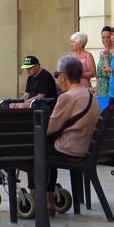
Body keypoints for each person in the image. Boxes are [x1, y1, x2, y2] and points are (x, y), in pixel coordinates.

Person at [33, 56, 98, 215]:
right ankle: (49, 198)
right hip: (86, 148)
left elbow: (49, 129)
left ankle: (41, 199)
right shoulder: (89, 95)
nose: (56, 78)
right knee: (46, 147)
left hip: (70, 148)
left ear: (63, 75)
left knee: (36, 149)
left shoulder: (67, 97)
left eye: (56, 74)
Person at [94, 26, 112, 97]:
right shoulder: (102, 52)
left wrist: (107, 58)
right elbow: (98, 75)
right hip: (100, 90)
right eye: (103, 37)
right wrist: (96, 91)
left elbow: (111, 74)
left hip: (109, 89)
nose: (105, 40)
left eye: (108, 37)